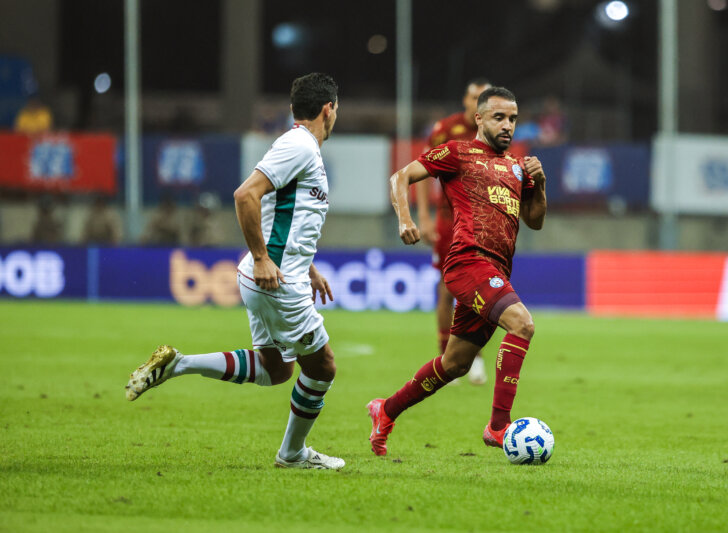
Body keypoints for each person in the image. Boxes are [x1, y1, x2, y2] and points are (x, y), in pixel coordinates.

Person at [125, 73, 345, 470]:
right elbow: (245, 195)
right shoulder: (299, 146)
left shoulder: (299, 147)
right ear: (328, 109)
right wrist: (262, 257)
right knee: (323, 365)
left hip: (272, 275)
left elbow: (284, 217)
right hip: (275, 280)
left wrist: (307, 266)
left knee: (276, 370)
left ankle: (179, 364)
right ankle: (292, 454)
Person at [368, 87, 548, 456]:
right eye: (499, 117)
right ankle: (498, 427)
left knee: (455, 364)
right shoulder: (457, 153)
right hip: (467, 262)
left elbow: (535, 221)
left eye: (513, 119)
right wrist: (406, 219)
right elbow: (400, 177)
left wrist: (540, 184)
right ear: (479, 119)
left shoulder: (518, 167)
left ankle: (385, 410)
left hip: (496, 269)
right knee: (522, 324)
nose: (508, 125)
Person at [416, 78, 492, 386]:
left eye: (484, 98)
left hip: (484, 222)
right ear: (466, 99)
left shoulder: (494, 131)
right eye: (475, 97)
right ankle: (445, 357)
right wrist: (424, 216)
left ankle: (475, 356)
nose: (478, 103)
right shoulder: (445, 130)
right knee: (448, 288)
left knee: (482, 289)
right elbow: (421, 171)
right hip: (450, 221)